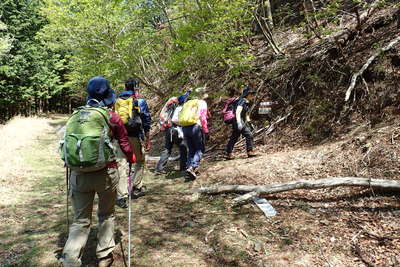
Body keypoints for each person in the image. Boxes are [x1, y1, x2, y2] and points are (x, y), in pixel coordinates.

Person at [60, 76, 136, 267]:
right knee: (106, 215)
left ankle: (70, 257)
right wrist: (131, 158)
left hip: (79, 175)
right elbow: (124, 143)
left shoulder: (75, 116)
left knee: (80, 219)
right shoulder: (111, 116)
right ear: (108, 94)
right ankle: (104, 255)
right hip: (105, 174)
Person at [116, 77, 152, 206]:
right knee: (139, 160)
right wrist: (147, 139)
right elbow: (146, 121)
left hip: (119, 137)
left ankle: (121, 196)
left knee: (121, 163)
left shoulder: (118, 101)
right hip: (134, 135)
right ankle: (136, 188)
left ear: (125, 87)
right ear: (136, 88)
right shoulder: (140, 101)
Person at [155, 90, 191, 174]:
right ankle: (183, 167)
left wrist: (187, 93)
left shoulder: (171, 106)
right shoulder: (180, 108)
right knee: (183, 148)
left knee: (167, 148)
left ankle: (159, 168)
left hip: (169, 129)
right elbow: (177, 120)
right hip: (176, 130)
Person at [181, 89, 209, 181]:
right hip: (195, 127)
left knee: (191, 149)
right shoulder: (202, 103)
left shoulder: (187, 103)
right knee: (200, 148)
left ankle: (189, 167)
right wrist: (206, 130)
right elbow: (203, 118)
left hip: (185, 128)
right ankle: (192, 167)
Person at [225, 87, 257, 159]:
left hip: (238, 121)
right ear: (247, 95)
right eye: (251, 94)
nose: (252, 96)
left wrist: (250, 123)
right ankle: (250, 151)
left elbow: (246, 115)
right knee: (249, 135)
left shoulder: (246, 103)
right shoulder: (242, 101)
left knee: (234, 137)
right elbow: (237, 112)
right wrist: (239, 123)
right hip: (237, 121)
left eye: (253, 94)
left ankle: (228, 153)